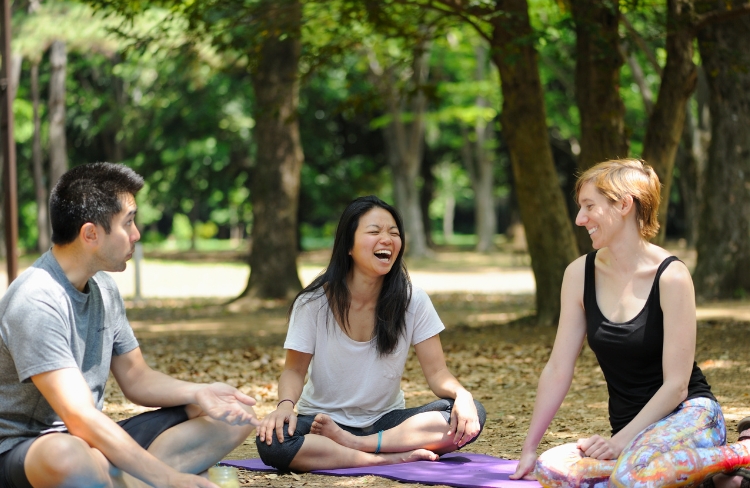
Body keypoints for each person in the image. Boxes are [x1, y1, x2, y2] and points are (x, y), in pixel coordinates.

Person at [0, 162, 258, 488]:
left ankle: (122, 480)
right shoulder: (36, 300)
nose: (136, 234)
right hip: (28, 449)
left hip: (92, 440)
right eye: (129, 223)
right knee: (68, 455)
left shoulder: (104, 288)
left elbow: (137, 378)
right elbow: (78, 415)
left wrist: (200, 392)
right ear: (90, 234)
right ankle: (143, 478)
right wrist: (168, 478)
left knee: (230, 416)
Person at [509, 159, 750, 487]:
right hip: (635, 433)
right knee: (552, 471)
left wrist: (619, 442)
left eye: (589, 207)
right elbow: (557, 368)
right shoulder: (579, 274)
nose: (580, 219)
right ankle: (715, 480)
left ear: (624, 204)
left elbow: (677, 385)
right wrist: (529, 449)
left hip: (690, 415)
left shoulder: (672, 277)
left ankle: (741, 452)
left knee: (630, 479)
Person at [255, 195, 486, 471]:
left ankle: (360, 445)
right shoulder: (313, 303)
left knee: (471, 414)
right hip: (320, 423)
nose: (387, 239)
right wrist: (283, 407)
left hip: (386, 422)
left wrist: (462, 395)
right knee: (273, 442)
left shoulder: (413, 301)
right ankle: (385, 457)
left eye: (394, 233)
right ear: (348, 245)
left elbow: (437, 373)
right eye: (374, 231)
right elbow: (293, 371)